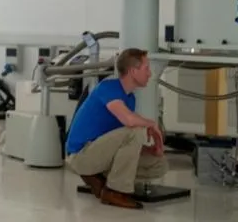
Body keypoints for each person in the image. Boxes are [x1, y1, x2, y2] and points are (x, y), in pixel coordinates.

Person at [65, 48, 167, 210]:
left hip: (99, 151)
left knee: (159, 164)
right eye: (146, 68)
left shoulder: (130, 99)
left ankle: (102, 179)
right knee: (135, 129)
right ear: (133, 71)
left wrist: (151, 150)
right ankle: (115, 191)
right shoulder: (108, 88)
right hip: (81, 156)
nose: (149, 73)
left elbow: (123, 143)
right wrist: (151, 123)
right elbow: (128, 121)